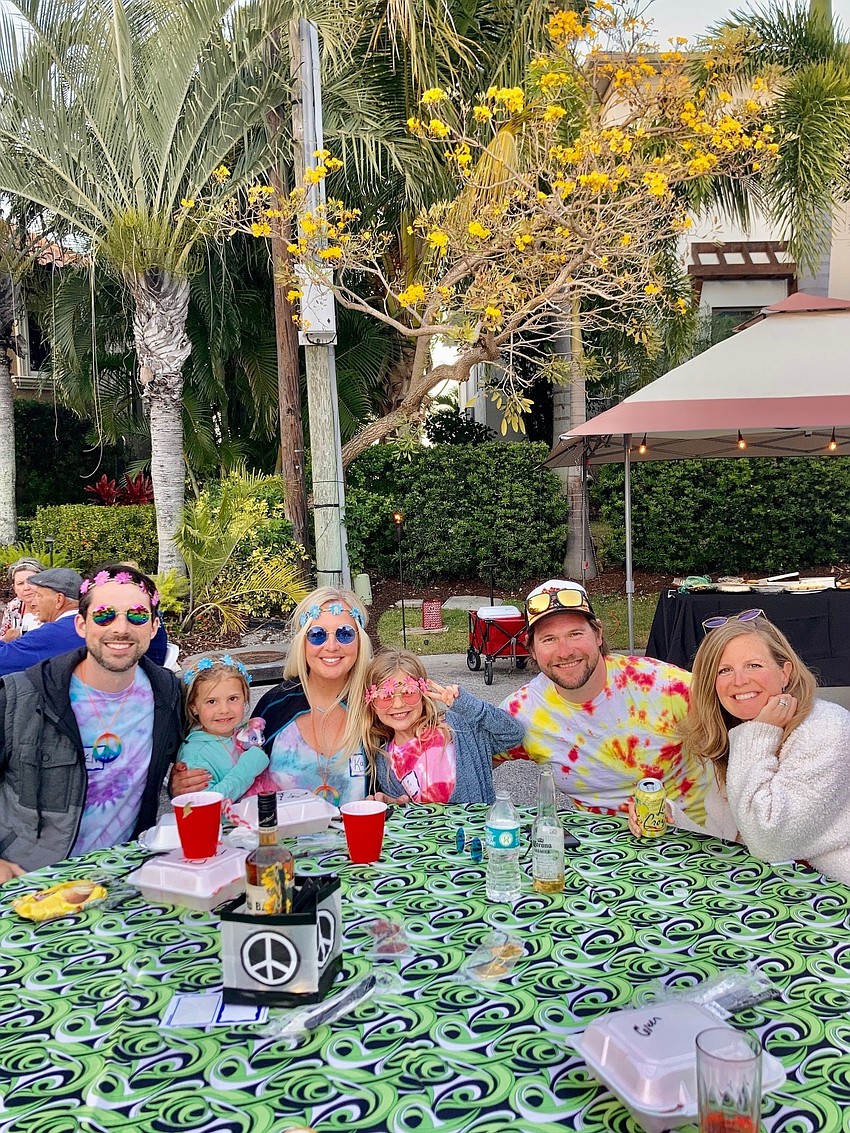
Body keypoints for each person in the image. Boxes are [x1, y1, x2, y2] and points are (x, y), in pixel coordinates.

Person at [0, 564, 183, 882]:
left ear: (154, 628)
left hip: (124, 878)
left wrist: (180, 782)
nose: (121, 628)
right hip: (29, 882)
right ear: (82, 625)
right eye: (104, 615)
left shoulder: (168, 695)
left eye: (137, 615)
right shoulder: (22, 696)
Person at [499, 579, 712, 825]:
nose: (565, 651)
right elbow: (467, 758)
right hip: (597, 851)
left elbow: (742, 727)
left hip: (691, 841)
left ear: (598, 634)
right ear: (533, 650)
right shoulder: (522, 711)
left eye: (575, 634)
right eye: (549, 639)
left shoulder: (664, 686)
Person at [670, 613, 850, 884]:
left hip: (831, 896)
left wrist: (758, 734)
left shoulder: (827, 728)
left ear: (784, 672)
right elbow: (731, 839)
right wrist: (671, 819)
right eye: (724, 670)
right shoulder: (735, 734)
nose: (739, 680)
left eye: (753, 665)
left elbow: (769, 841)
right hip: (768, 891)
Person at [171, 586, 373, 805]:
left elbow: (404, 767)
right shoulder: (274, 707)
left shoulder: (376, 705)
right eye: (317, 635)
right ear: (302, 643)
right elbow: (228, 768)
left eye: (345, 634)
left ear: (360, 641)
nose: (331, 646)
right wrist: (185, 782)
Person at [357, 649, 523, 805]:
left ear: (423, 694)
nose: (399, 704)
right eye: (385, 696)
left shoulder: (461, 726)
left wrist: (469, 706)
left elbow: (513, 734)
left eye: (409, 692)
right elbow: (407, 818)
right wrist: (397, 805)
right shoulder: (385, 761)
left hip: (477, 834)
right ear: (372, 703)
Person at [178, 655, 269, 801]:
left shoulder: (244, 734)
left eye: (233, 699)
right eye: (211, 701)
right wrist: (247, 770)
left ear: (244, 697)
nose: (224, 709)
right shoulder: (195, 754)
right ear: (193, 706)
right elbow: (205, 805)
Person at [0, 568, 85, 677]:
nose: (33, 602)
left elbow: (4, 660)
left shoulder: (52, 633)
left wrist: (6, 640)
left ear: (59, 600)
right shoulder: (89, 622)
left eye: (39, 595)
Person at [1, 557, 45, 641]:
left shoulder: (53, 605)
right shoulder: (13, 606)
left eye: (31, 582)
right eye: (20, 583)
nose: (26, 588)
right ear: (14, 587)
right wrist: (7, 639)